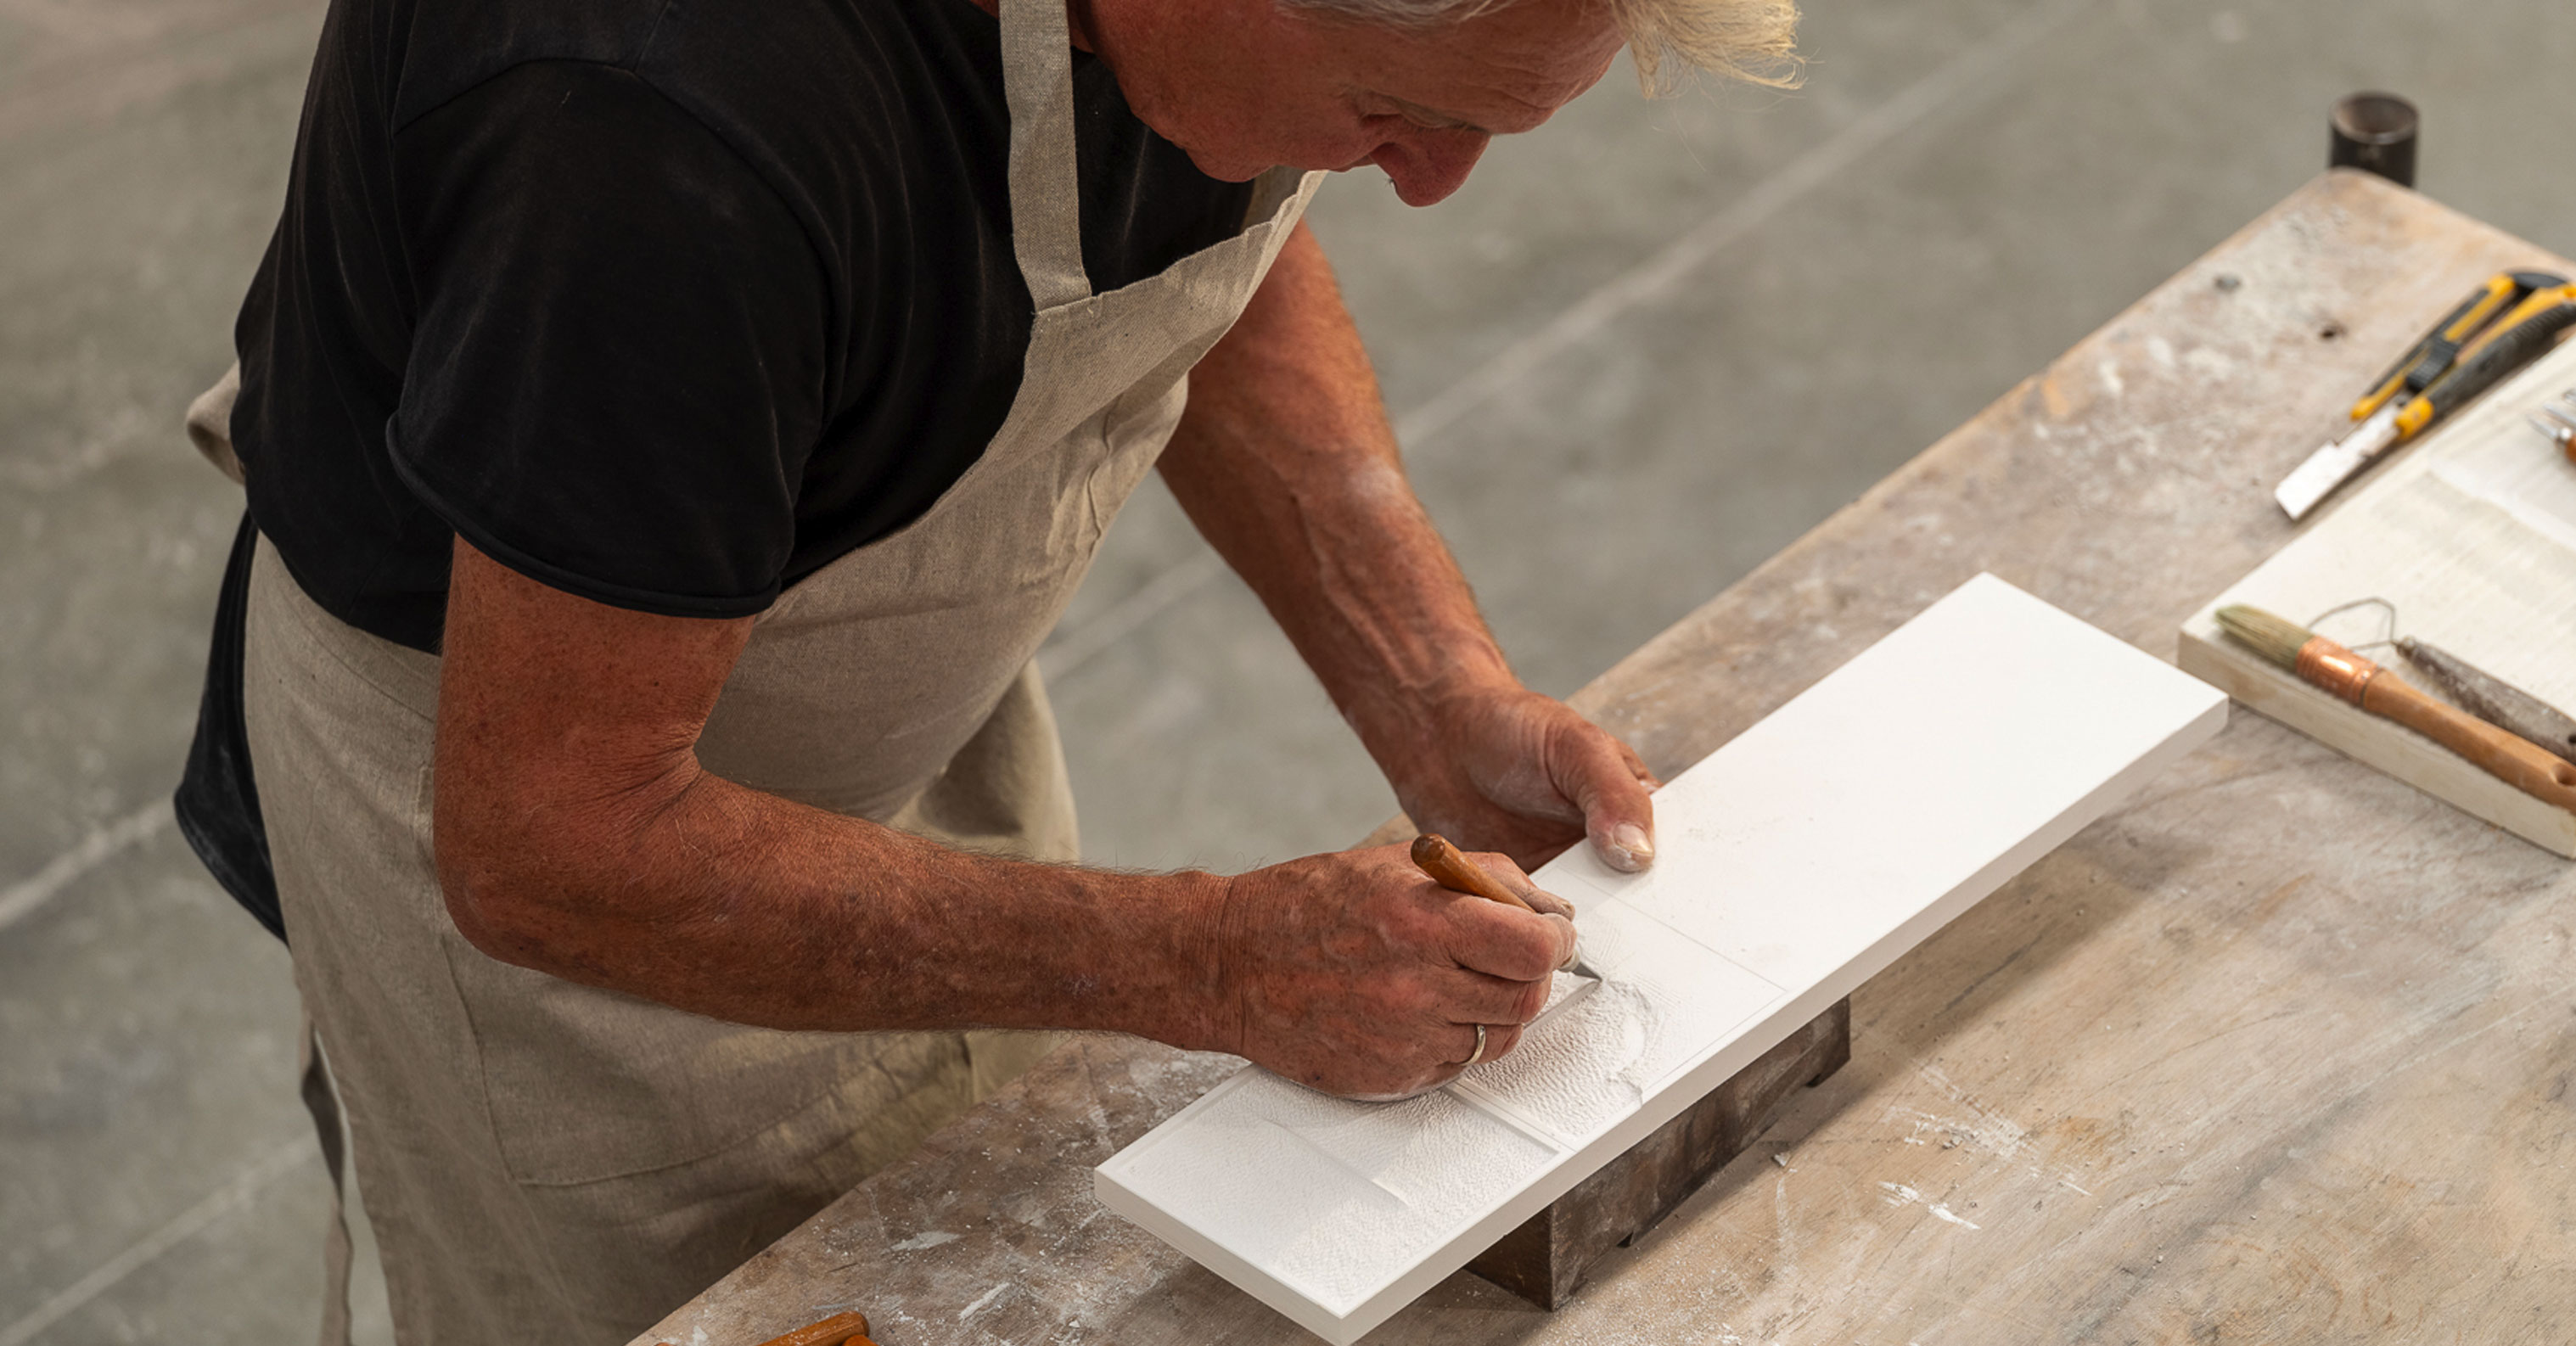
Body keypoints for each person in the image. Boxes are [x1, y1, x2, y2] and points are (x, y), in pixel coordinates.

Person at [171, 0, 1799, 1340]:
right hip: (552, 842)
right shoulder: (649, 126)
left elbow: (1203, 212)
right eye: (1395, 106)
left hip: (846, 618)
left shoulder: (1204, 54)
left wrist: (1430, 684)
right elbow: (548, 840)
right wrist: (1211, 962)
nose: (1432, 184)